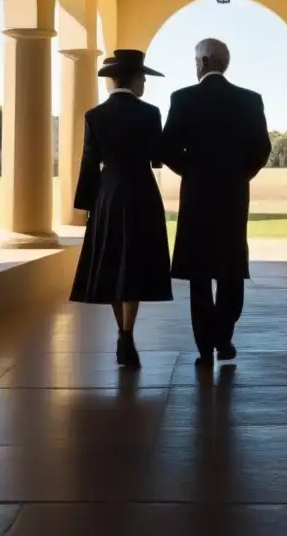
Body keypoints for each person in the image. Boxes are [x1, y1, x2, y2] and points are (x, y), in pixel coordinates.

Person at [162, 38, 271, 367]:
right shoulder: (250, 101)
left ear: (205, 62)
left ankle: (204, 345)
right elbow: (262, 149)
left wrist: (191, 171)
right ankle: (224, 337)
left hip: (196, 197)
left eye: (196, 60)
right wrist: (241, 174)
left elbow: (166, 148)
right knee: (231, 267)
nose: (195, 66)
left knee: (199, 272)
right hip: (233, 196)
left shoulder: (182, 99)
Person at [69, 49, 172, 368]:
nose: (144, 83)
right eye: (143, 77)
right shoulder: (150, 113)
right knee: (135, 264)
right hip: (141, 192)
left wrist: (85, 204)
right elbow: (157, 156)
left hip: (108, 194)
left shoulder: (94, 115)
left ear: (113, 80)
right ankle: (127, 332)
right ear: (135, 79)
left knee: (113, 261)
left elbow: (89, 162)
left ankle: (122, 333)